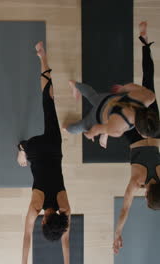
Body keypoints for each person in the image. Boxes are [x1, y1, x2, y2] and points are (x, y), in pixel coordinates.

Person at [18, 41, 71, 264]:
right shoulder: (35, 206)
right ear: (43, 221)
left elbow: (66, 241)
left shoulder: (65, 207)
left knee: (48, 101)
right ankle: (20, 151)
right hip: (36, 150)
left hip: (53, 146)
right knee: (21, 147)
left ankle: (42, 56)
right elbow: (27, 235)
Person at [113, 21, 160, 255]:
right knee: (115, 113)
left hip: (154, 130)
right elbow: (124, 211)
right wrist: (117, 234)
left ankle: (144, 40)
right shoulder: (136, 182)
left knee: (148, 83)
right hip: (135, 135)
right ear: (146, 192)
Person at [65, 57, 158, 141]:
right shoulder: (117, 130)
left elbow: (132, 86)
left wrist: (122, 89)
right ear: (138, 129)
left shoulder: (149, 96)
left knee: (92, 95)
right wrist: (89, 134)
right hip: (97, 116)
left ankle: (74, 84)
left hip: (107, 99)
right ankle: (66, 128)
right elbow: (96, 128)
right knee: (82, 126)